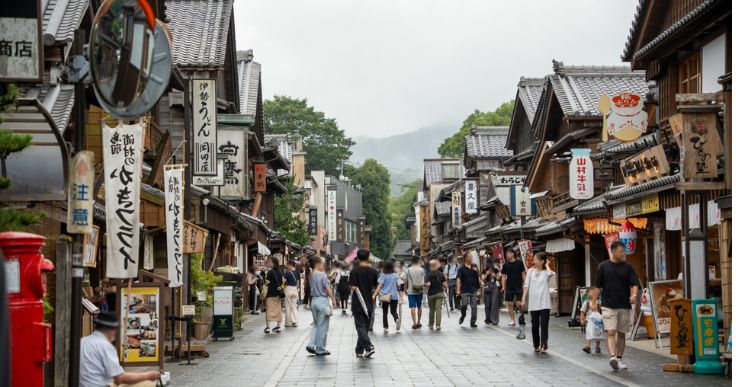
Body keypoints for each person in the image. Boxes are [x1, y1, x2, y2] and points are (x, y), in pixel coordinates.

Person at [80, 311, 161, 387]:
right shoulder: (105, 346)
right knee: (148, 384)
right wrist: (148, 375)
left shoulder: (82, 341)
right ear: (112, 330)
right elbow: (119, 378)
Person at [595, 241, 640, 371]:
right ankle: (613, 357)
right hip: (608, 305)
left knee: (621, 334)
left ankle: (619, 359)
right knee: (611, 331)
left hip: (624, 305)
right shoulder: (603, 267)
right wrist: (593, 301)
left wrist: (634, 295)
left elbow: (634, 283)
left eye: (623, 251)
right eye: (621, 251)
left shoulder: (628, 267)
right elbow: (598, 286)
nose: (623, 253)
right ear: (613, 251)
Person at [521, 252, 555, 353]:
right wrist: (523, 298)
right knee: (535, 325)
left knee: (544, 325)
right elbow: (526, 286)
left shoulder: (546, 272)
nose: (534, 261)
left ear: (542, 261)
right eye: (534, 259)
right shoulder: (530, 271)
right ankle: (536, 345)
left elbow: (550, 274)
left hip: (544, 303)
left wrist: (547, 264)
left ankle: (544, 346)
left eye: (536, 259)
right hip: (533, 303)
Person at [349, 249, 380, 358]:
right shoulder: (374, 271)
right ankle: (359, 350)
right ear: (367, 258)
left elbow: (353, 287)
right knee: (365, 327)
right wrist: (374, 295)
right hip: (369, 302)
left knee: (360, 326)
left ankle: (368, 346)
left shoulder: (354, 271)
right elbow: (378, 286)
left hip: (358, 302)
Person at [306, 257, 336, 356]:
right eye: (322, 264)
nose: (323, 265)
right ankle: (320, 349)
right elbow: (327, 288)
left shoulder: (310, 275)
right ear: (317, 264)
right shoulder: (322, 275)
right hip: (322, 301)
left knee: (316, 324)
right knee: (323, 326)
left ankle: (311, 344)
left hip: (314, 301)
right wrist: (333, 299)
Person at [373, 261, 403, 333]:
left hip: (385, 296)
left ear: (385, 267)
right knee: (393, 311)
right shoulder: (396, 275)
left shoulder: (383, 275)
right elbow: (400, 284)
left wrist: (374, 295)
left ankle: (386, 327)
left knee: (385, 312)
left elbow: (380, 286)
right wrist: (401, 296)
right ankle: (396, 319)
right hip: (394, 296)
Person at [501, 248, 526, 327]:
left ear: (513, 254)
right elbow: (503, 276)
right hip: (509, 286)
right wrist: (503, 287)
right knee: (510, 303)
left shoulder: (519, 263)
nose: (507, 255)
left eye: (508, 254)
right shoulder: (505, 265)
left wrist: (525, 284)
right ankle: (512, 320)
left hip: (518, 285)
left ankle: (522, 316)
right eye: (506, 254)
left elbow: (523, 274)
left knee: (519, 304)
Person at [456, 251, 480, 327]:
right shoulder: (461, 268)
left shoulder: (474, 266)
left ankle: (473, 322)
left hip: (473, 289)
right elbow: (458, 279)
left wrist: (476, 271)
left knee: (474, 306)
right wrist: (458, 289)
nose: (471, 258)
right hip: (464, 290)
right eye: (470, 257)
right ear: (466, 258)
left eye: (471, 257)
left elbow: (478, 275)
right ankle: (463, 316)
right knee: (464, 305)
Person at [425, 259, 447, 330]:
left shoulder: (429, 274)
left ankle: (431, 324)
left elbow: (428, 284)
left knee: (432, 310)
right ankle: (438, 325)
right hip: (440, 293)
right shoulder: (441, 274)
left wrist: (424, 284)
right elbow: (445, 284)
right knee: (438, 309)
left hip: (431, 294)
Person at [264, 257, 284, 333]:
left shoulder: (270, 272)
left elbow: (267, 282)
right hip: (278, 293)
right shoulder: (280, 272)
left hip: (270, 293)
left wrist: (265, 282)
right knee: (278, 309)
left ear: (273, 263)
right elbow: (282, 281)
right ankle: (278, 326)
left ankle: (268, 327)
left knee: (269, 309)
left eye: (270, 262)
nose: (269, 263)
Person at [580, 286, 602, 354]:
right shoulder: (586, 303)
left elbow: (601, 311)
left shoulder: (598, 302)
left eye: (593, 293)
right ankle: (587, 346)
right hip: (588, 321)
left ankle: (597, 346)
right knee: (588, 333)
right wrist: (582, 319)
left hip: (597, 321)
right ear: (587, 294)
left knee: (597, 333)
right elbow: (582, 312)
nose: (591, 294)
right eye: (589, 293)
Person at [406, 255, 425, 329]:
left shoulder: (408, 270)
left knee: (412, 307)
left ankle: (414, 323)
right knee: (419, 306)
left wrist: (405, 289)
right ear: (418, 261)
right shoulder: (421, 270)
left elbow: (405, 281)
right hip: (419, 291)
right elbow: (423, 281)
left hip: (411, 291)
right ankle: (419, 322)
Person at [482, 260, 501, 325]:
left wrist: (494, 275)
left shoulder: (495, 269)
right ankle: (488, 319)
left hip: (494, 287)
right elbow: (482, 279)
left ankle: (494, 320)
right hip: (487, 286)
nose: (488, 265)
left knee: (494, 303)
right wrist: (487, 274)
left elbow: (498, 278)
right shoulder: (484, 270)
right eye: (487, 264)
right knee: (487, 304)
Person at [284, 260, 300, 327]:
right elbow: (298, 282)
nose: (287, 266)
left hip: (288, 289)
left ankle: (288, 323)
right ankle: (295, 321)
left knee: (287, 306)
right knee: (294, 306)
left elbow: (284, 282)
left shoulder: (287, 273)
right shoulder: (297, 273)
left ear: (290, 264)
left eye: (287, 264)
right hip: (295, 289)